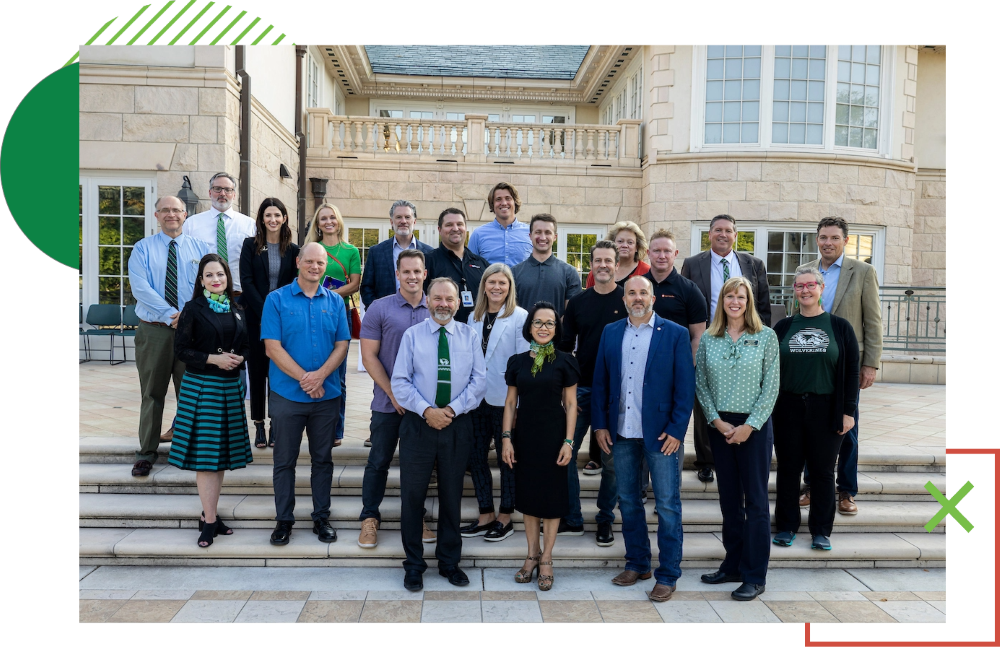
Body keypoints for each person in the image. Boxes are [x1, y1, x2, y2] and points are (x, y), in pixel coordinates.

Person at [591, 276, 695, 603]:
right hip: (620, 432)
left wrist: (678, 430)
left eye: (643, 292)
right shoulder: (611, 332)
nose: (638, 298)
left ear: (653, 297)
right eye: (632, 293)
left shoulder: (675, 334)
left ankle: (668, 574)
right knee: (629, 501)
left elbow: (685, 387)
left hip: (662, 434)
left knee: (666, 504)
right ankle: (638, 563)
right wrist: (600, 426)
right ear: (624, 299)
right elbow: (600, 384)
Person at [390, 278, 487, 591]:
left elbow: (478, 380)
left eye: (449, 299)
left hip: (457, 425)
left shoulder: (469, 335)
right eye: (437, 298)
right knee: (413, 496)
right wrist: (427, 410)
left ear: (458, 302)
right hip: (419, 424)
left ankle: (449, 562)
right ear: (427, 301)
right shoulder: (412, 335)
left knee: (451, 495)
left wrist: (452, 411)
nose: (443, 304)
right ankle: (414, 566)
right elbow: (400, 381)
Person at [694, 276, 779, 601]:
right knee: (729, 501)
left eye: (741, 297)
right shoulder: (710, 339)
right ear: (722, 301)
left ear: (749, 301)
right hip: (720, 428)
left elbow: (771, 386)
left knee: (756, 502)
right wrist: (716, 421)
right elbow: (700, 383)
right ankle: (733, 564)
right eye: (730, 296)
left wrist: (750, 426)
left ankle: (755, 574)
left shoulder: (765, 337)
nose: (735, 301)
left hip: (753, 429)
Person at [262, 243, 351, 546]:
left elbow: (342, 344)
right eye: (309, 261)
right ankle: (284, 520)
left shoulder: (336, 302)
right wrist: (305, 378)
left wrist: (321, 376)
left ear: (326, 266)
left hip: (326, 397)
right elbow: (271, 347)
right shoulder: (276, 300)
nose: (315, 266)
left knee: (322, 460)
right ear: (298, 262)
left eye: (320, 262)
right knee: (284, 461)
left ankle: (321, 517)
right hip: (288, 395)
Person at [796, 217, 883, 515]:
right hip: (811, 361)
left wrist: (870, 363)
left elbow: (872, 320)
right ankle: (811, 485)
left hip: (846, 363)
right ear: (816, 240)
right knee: (809, 425)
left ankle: (846, 490)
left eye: (834, 238)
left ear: (845, 241)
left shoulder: (862, 272)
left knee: (846, 426)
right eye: (823, 237)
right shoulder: (804, 271)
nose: (828, 243)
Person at [772, 268, 859, 552]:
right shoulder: (783, 327)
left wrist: (848, 412)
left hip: (826, 408)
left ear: (821, 288)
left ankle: (821, 530)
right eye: (799, 286)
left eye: (811, 285)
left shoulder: (839, 326)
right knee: (788, 469)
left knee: (822, 472)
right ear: (794, 291)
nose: (805, 290)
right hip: (788, 407)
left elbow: (851, 374)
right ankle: (785, 526)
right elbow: (771, 370)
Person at [168, 254, 253, 547]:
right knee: (206, 460)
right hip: (202, 386)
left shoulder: (238, 308)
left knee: (219, 459)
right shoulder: (192, 309)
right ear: (201, 280)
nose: (216, 280)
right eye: (209, 275)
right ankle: (209, 522)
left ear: (227, 277)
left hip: (230, 387)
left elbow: (246, 344)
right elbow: (181, 350)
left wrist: (240, 357)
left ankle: (210, 515)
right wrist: (214, 359)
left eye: (220, 274)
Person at [681, 214, 771, 484]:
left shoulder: (753, 264)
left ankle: (743, 446)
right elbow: (686, 305)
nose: (723, 234)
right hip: (708, 339)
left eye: (728, 230)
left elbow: (763, 305)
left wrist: (757, 340)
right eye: (717, 230)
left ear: (735, 235)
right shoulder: (692, 263)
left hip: (746, 339)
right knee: (704, 398)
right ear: (709, 234)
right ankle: (707, 459)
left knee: (744, 396)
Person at [357, 249, 436, 549]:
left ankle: (416, 517)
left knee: (419, 466)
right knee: (378, 462)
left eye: (417, 271)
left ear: (424, 274)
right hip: (388, 405)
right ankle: (369, 518)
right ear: (397, 275)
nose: (412, 276)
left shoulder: (437, 307)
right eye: (407, 272)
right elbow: (369, 356)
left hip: (425, 408)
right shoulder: (380, 308)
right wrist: (394, 393)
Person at [127, 196, 209, 477]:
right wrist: (172, 315)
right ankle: (146, 453)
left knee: (191, 394)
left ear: (185, 215)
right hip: (154, 332)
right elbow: (141, 288)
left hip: (193, 334)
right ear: (156, 215)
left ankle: (189, 450)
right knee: (152, 394)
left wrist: (189, 318)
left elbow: (210, 287)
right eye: (165, 210)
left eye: (176, 210)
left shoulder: (202, 249)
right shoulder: (142, 249)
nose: (171, 214)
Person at [501, 301, 579, 590]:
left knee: (552, 499)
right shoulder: (517, 361)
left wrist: (569, 442)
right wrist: (506, 438)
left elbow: (571, 404)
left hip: (555, 437)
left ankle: (547, 558)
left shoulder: (565, 360)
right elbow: (510, 403)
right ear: (529, 326)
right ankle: (531, 554)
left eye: (549, 323)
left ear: (556, 329)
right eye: (538, 322)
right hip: (525, 438)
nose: (544, 327)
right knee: (530, 499)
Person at [558, 240, 626, 545]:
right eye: (597, 260)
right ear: (590, 264)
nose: (603, 265)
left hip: (618, 394)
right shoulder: (578, 303)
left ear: (616, 264)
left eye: (608, 261)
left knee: (612, 461)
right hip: (582, 390)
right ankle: (572, 516)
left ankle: (604, 518)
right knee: (566, 452)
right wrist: (566, 390)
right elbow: (563, 349)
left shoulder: (628, 299)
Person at [464, 263, 529, 542]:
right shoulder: (473, 317)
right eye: (492, 282)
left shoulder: (520, 316)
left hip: (505, 400)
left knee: (507, 460)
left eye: (503, 283)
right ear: (484, 286)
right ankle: (485, 513)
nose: (497, 288)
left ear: (510, 286)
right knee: (475, 457)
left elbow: (524, 365)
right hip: (476, 399)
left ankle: (505, 516)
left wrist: (519, 407)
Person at [239, 198, 299, 449]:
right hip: (255, 317)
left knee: (279, 371)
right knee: (257, 371)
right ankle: (259, 425)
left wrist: (278, 312)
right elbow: (246, 281)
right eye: (267, 215)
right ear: (261, 219)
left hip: (284, 320)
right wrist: (266, 310)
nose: (272, 219)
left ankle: (276, 422)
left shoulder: (294, 250)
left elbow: (296, 282)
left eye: (277, 215)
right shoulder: (249, 246)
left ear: (285, 218)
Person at [304, 202, 361, 447]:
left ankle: (336, 430)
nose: (328, 222)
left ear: (338, 221)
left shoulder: (350, 251)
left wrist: (328, 295)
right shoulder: (310, 249)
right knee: (313, 366)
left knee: (338, 375)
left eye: (332, 217)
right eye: (323, 218)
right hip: (310, 312)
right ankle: (313, 425)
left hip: (339, 313)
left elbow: (355, 284)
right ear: (317, 223)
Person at [182, 172, 257, 297]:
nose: (222, 193)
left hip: (238, 294)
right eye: (218, 189)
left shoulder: (250, 225)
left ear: (234, 195)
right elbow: (183, 259)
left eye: (228, 190)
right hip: (203, 294)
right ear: (210, 193)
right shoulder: (192, 224)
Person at [360, 199, 435, 308]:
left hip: (421, 315)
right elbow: (366, 288)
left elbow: (433, 287)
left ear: (414, 221)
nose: (403, 221)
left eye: (407, 217)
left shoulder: (429, 253)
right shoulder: (376, 252)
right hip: (386, 317)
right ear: (392, 222)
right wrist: (377, 311)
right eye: (399, 217)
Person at [511, 214, 583, 318]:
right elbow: (512, 310)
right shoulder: (514, 272)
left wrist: (553, 330)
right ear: (530, 236)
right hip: (523, 333)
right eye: (538, 232)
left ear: (555, 237)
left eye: (548, 232)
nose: (543, 237)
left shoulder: (569, 272)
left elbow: (571, 313)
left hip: (558, 334)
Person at [423, 208, 488, 324]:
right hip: (442, 332)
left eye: (459, 224)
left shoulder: (481, 264)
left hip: (478, 331)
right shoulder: (428, 261)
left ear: (465, 228)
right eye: (449, 225)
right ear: (439, 229)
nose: (455, 228)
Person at [468, 182, 532, 266]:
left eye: (508, 198)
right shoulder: (478, 235)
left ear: (515, 202)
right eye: (498, 199)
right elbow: (471, 268)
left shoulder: (531, 232)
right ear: (492, 204)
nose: (504, 203)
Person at [584, 221, 651, 288]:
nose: (624, 245)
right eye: (620, 241)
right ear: (612, 244)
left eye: (630, 242)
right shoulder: (597, 272)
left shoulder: (647, 271)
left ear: (637, 247)